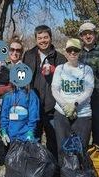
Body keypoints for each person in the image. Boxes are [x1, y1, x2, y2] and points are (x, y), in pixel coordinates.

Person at [23, 25, 67, 159]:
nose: (43, 40)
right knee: (33, 140)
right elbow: (23, 78)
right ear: (36, 39)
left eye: (45, 37)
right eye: (40, 38)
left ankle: (53, 169)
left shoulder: (60, 58)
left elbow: (65, 83)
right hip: (33, 106)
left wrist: (55, 71)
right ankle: (34, 168)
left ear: (51, 38)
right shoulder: (29, 55)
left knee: (53, 141)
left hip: (52, 107)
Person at [51, 38, 94, 156]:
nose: (73, 53)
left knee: (81, 146)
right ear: (66, 52)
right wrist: (65, 106)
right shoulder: (60, 69)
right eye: (70, 50)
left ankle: (79, 172)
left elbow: (88, 90)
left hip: (82, 113)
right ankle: (65, 172)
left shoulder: (87, 69)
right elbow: (55, 89)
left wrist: (75, 104)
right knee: (62, 147)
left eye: (76, 50)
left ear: (80, 52)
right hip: (61, 112)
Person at [78, 22, 99, 147]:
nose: (87, 36)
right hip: (80, 96)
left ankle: (97, 152)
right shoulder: (77, 52)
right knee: (83, 127)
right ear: (81, 37)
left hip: (97, 95)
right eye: (84, 34)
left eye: (90, 33)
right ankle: (83, 154)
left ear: (95, 35)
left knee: (97, 126)